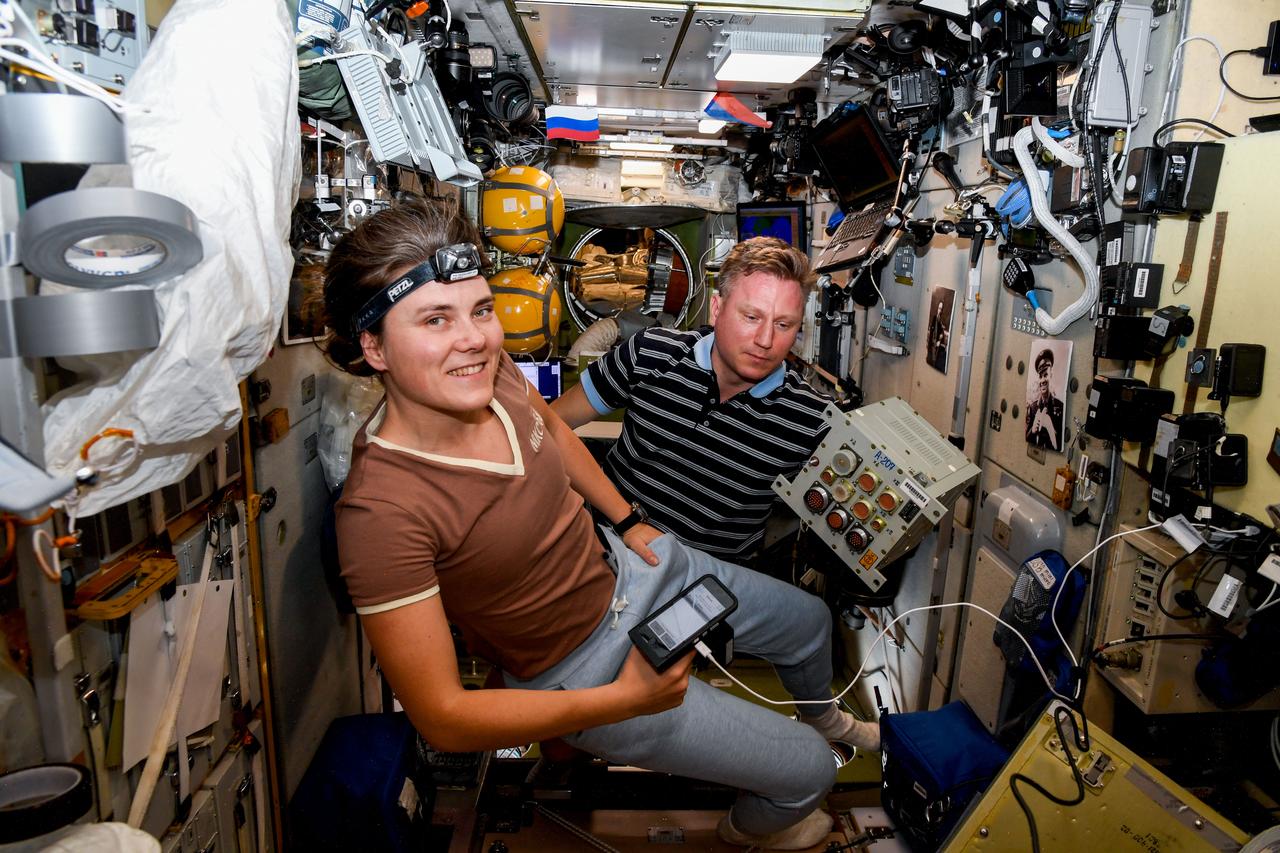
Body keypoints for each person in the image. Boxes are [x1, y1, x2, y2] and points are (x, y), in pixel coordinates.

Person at [322, 199, 877, 851]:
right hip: (589, 671)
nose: (473, 337)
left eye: (480, 309)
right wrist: (624, 700)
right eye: (434, 319)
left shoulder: (487, 374)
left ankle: (829, 717)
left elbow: (552, 428)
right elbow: (443, 716)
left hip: (637, 567)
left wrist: (629, 519)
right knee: (808, 775)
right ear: (373, 345)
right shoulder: (381, 509)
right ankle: (745, 832)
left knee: (810, 622)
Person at [551, 236, 830, 563]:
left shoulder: (810, 418)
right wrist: (625, 521)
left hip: (711, 586)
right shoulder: (652, 353)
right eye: (751, 317)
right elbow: (547, 425)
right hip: (609, 550)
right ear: (717, 308)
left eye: (783, 325)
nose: (766, 340)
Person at [1025, 347, 1064, 452]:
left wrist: (1050, 428)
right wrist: (1033, 430)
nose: (1042, 380)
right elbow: (1026, 438)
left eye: (1045, 375)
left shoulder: (1060, 407)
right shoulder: (1033, 408)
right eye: (1040, 376)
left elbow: (1061, 447)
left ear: (1051, 375)